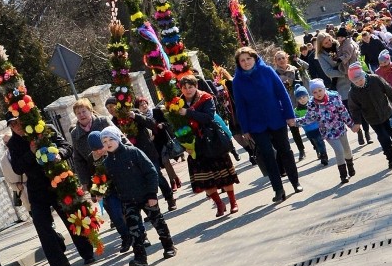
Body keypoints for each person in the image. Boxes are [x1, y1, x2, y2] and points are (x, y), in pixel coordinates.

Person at [6, 121, 97, 266]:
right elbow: (17, 168)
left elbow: (67, 147)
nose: (17, 127)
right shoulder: (14, 143)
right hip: (37, 188)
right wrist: (31, 153)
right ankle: (59, 263)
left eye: (19, 122)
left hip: (58, 182)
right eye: (13, 125)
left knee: (70, 217)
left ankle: (87, 253)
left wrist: (58, 154)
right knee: (42, 225)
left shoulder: (45, 128)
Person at [231, 47, 303, 203]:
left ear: (254, 58)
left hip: (276, 118)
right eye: (242, 60)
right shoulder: (237, 81)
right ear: (238, 63)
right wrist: (245, 129)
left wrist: (290, 116)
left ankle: (295, 182)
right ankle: (278, 190)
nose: (246, 62)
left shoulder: (267, 71)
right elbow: (240, 106)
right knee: (268, 156)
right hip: (256, 124)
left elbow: (282, 93)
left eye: (248, 59)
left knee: (285, 151)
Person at [100, 127, 177, 266]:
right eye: (104, 141)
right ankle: (140, 259)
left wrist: (152, 194)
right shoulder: (107, 163)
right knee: (134, 230)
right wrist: (98, 191)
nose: (108, 143)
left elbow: (151, 172)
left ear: (117, 139)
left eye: (111, 139)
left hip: (146, 196)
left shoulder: (133, 152)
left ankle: (169, 246)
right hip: (128, 201)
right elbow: (107, 184)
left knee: (158, 222)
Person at [69, 99, 133, 252]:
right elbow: (78, 160)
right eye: (78, 113)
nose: (82, 115)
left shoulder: (103, 121)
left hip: (118, 169)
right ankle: (125, 236)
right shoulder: (75, 134)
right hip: (99, 177)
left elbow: (120, 137)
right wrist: (84, 182)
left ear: (90, 111)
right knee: (114, 211)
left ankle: (139, 235)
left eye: (84, 111)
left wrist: (129, 151)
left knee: (129, 206)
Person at [178, 74, 240, 215]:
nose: (188, 90)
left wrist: (187, 113)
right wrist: (184, 144)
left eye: (191, 87)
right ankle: (219, 204)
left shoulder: (206, 98)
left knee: (224, 173)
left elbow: (208, 117)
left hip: (212, 139)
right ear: (180, 88)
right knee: (204, 178)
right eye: (184, 87)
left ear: (196, 86)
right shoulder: (177, 103)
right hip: (194, 143)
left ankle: (233, 201)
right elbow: (176, 125)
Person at [105, 96, 176, 211]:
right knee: (142, 181)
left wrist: (135, 116)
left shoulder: (133, 112)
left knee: (156, 175)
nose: (110, 109)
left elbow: (152, 124)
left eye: (112, 106)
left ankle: (169, 198)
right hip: (132, 156)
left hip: (147, 151)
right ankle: (152, 208)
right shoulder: (112, 123)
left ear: (118, 105)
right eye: (108, 108)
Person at [315, 32, 372, 145]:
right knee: (351, 109)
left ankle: (367, 133)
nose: (329, 43)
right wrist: (344, 73)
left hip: (355, 79)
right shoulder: (321, 55)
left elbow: (352, 53)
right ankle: (358, 131)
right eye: (325, 43)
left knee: (362, 106)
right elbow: (328, 72)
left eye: (330, 40)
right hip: (341, 83)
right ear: (321, 45)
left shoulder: (340, 45)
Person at [346, 63, 392, 170]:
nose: (359, 83)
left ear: (364, 75)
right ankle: (391, 159)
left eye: (360, 79)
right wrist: (357, 122)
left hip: (387, 112)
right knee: (384, 138)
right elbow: (354, 109)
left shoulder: (375, 79)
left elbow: (388, 89)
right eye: (356, 82)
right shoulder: (353, 93)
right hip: (373, 119)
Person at [303, 80, 360, 184]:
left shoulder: (334, 97)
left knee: (346, 149)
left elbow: (343, 112)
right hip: (327, 132)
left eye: (320, 90)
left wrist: (351, 125)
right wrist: (295, 121)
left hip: (339, 128)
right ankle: (343, 175)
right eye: (314, 92)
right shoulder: (312, 104)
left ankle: (350, 166)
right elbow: (308, 118)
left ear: (324, 89)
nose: (318, 94)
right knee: (339, 150)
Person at [273, 51, 307, 161]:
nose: (281, 60)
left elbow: (300, 83)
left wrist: (290, 81)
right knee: (294, 128)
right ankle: (301, 149)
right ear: (276, 62)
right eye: (279, 59)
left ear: (287, 58)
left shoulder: (294, 69)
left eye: (283, 58)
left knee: (308, 123)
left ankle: (317, 146)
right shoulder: (275, 74)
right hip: (286, 103)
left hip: (298, 100)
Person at [292, 84, 328, 166]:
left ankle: (323, 155)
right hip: (308, 131)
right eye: (299, 98)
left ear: (308, 96)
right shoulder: (297, 110)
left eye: (304, 97)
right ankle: (318, 151)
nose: (302, 100)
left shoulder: (313, 105)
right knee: (314, 142)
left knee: (320, 141)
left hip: (317, 128)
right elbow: (296, 120)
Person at [0, 130, 30, 222]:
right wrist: (16, 186)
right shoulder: (3, 160)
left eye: (8, 141)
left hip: (31, 184)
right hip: (21, 190)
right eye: (5, 142)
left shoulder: (23, 150)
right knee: (32, 211)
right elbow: (8, 179)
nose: (7, 144)